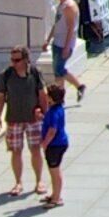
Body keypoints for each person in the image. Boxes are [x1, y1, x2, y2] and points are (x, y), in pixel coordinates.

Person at [0, 49, 48, 197]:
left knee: (35, 150)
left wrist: (45, 114)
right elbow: (0, 97)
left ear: (25, 59)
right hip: (14, 118)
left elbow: (42, 94)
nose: (13, 63)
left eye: (17, 60)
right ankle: (18, 182)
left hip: (33, 118)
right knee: (16, 151)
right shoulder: (6, 74)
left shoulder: (35, 72)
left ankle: (39, 181)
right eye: (12, 60)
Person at [43, 0, 91, 100]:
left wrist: (66, 46)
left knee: (59, 70)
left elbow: (71, 29)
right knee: (58, 71)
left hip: (64, 43)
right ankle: (64, 94)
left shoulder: (69, 6)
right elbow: (57, 24)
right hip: (57, 42)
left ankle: (72, 89)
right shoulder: (61, 5)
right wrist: (48, 40)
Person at [36, 80, 73, 208]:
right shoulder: (56, 109)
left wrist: (45, 143)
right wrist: (41, 117)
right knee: (53, 171)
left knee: (54, 172)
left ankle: (56, 198)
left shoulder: (54, 112)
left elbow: (52, 130)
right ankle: (54, 194)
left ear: (51, 97)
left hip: (55, 145)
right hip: (59, 143)